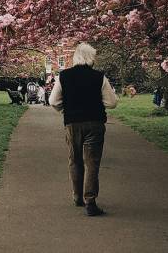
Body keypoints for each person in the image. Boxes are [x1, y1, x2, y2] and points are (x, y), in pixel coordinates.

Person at [49, 43, 118, 216]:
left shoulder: (63, 76)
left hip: (73, 124)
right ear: (91, 58)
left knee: (75, 160)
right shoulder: (99, 77)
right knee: (92, 162)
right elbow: (112, 102)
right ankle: (90, 201)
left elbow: (53, 101)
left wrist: (67, 110)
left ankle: (77, 196)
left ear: (76, 58)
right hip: (94, 123)